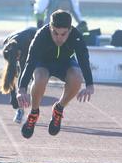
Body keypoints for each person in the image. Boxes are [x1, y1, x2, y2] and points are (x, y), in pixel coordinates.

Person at [17, 10, 94, 139]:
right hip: (43, 63)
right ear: (50, 28)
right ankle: (34, 112)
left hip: (65, 62)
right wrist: (22, 88)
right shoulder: (41, 35)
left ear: (70, 30)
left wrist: (90, 84)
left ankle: (59, 108)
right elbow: (30, 63)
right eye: (55, 33)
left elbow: (83, 60)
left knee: (77, 77)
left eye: (63, 34)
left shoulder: (76, 36)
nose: (59, 38)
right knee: (40, 78)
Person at [0, 27, 38, 123]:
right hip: (22, 42)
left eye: (17, 58)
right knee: (12, 70)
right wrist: (13, 97)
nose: (17, 61)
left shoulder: (27, 44)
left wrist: (21, 92)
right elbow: (11, 72)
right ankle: (20, 110)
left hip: (35, 40)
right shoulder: (7, 46)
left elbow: (24, 73)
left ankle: (32, 110)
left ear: (18, 53)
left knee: (33, 77)